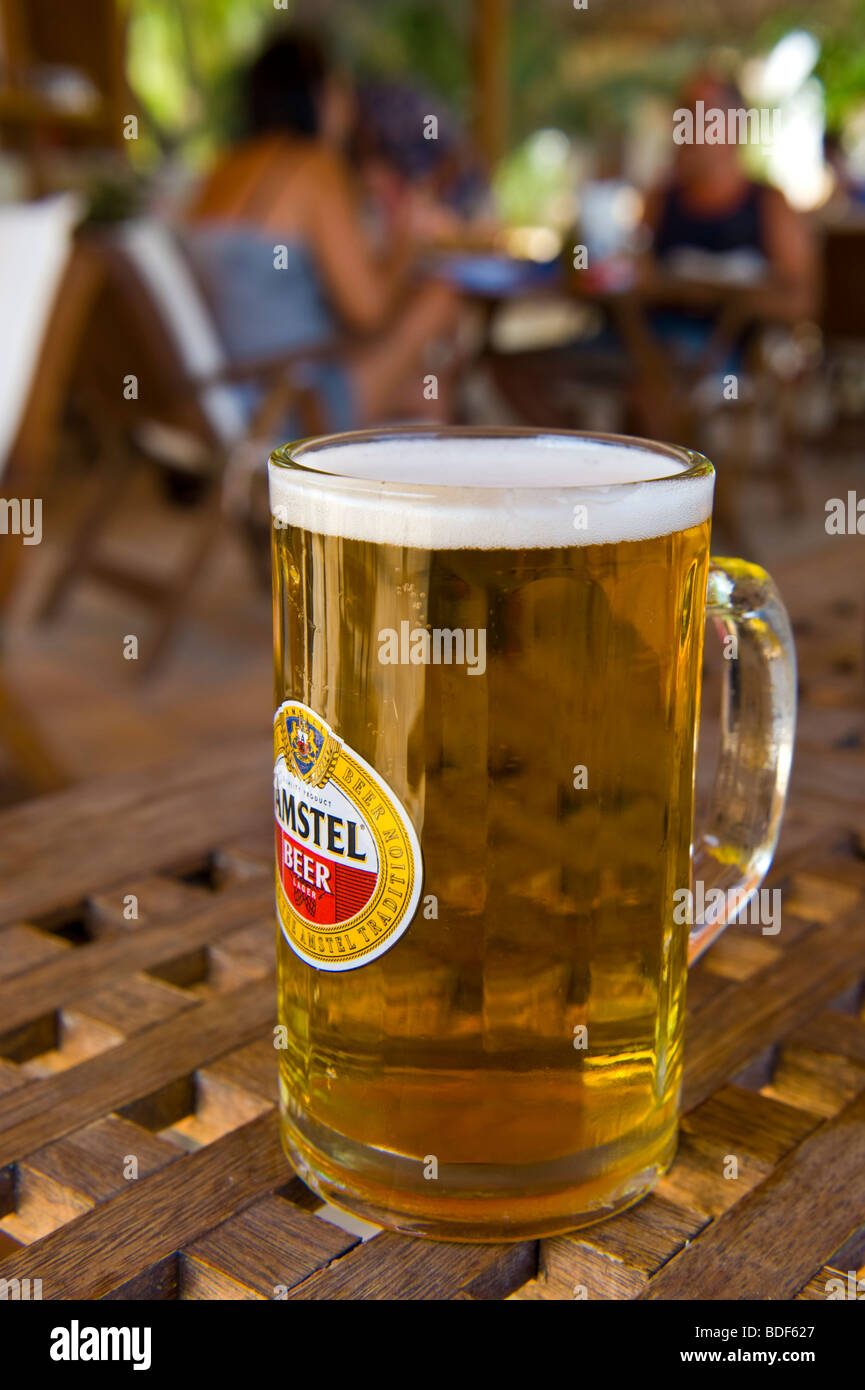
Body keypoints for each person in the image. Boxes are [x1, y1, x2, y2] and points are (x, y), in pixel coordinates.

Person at [184, 31, 460, 432]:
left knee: (423, 390)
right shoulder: (313, 167)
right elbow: (368, 311)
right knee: (441, 296)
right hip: (292, 407)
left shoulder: (220, 171)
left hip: (233, 393)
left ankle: (422, 481)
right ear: (320, 95)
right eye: (340, 89)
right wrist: (408, 239)